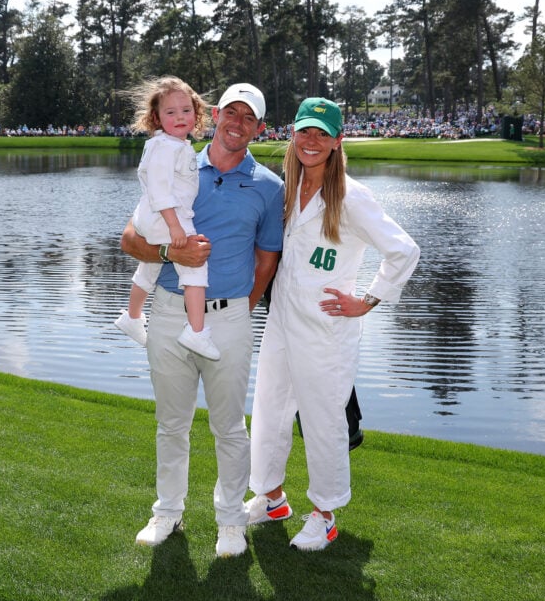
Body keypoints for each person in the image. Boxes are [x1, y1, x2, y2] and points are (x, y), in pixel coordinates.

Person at [245, 97, 420, 551]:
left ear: (338, 140)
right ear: (292, 135)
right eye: (305, 131)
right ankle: (271, 496)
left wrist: (367, 300)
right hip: (281, 319)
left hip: (326, 329)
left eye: (323, 133)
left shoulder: (353, 196)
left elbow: (404, 251)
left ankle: (324, 514)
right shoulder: (284, 189)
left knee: (323, 422)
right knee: (268, 411)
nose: (312, 141)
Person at [120, 83, 284, 558]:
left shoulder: (269, 188)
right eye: (230, 111)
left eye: (248, 117)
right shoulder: (178, 160)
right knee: (172, 424)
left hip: (231, 318)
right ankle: (168, 511)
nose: (237, 122)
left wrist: (241, 309)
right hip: (170, 311)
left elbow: (267, 260)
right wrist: (173, 250)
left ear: (258, 128)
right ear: (214, 115)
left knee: (230, 427)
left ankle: (231, 520)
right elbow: (130, 239)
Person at [114, 77, 219, 360]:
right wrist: (175, 227)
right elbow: (160, 189)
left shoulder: (172, 144)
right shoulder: (165, 147)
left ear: (196, 113)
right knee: (195, 266)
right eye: (170, 112)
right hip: (167, 216)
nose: (180, 117)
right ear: (156, 118)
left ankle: (132, 317)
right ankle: (196, 332)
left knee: (150, 265)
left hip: (153, 216)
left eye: (186, 110)